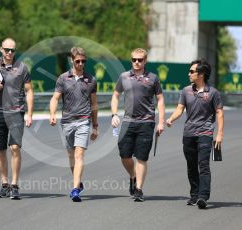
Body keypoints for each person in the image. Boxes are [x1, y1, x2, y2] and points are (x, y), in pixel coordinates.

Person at [166, 59, 224, 209]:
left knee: (203, 165)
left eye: (192, 71)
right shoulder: (186, 91)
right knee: (191, 166)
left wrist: (219, 134)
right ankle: (194, 194)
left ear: (201, 74)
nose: (189, 74)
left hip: (205, 133)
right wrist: (171, 119)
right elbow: (180, 109)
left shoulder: (213, 93)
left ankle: (203, 196)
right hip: (188, 134)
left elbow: (219, 113)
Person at [0, 38, 33, 200]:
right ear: (1, 50)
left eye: (13, 50)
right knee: (0, 149)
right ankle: (5, 184)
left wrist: (30, 113)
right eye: (7, 50)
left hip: (16, 112)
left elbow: (29, 91)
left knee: (15, 148)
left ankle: (15, 185)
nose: (10, 53)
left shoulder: (22, 68)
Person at [111, 48, 165, 202]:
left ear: (145, 61)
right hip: (128, 122)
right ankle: (133, 176)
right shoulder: (124, 77)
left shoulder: (153, 79)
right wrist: (114, 114)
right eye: (134, 59)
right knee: (125, 156)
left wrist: (160, 122)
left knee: (141, 158)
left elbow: (160, 100)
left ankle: (139, 190)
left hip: (146, 122)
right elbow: (115, 96)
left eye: (140, 60)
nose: (136, 62)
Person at [49, 47, 99, 202]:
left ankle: (75, 189)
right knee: (71, 155)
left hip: (83, 121)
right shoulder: (63, 78)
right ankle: (78, 182)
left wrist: (95, 126)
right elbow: (55, 98)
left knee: (79, 154)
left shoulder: (91, 79)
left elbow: (94, 104)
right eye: (78, 61)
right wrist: (52, 114)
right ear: (72, 60)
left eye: (83, 61)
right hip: (67, 122)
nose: (81, 64)